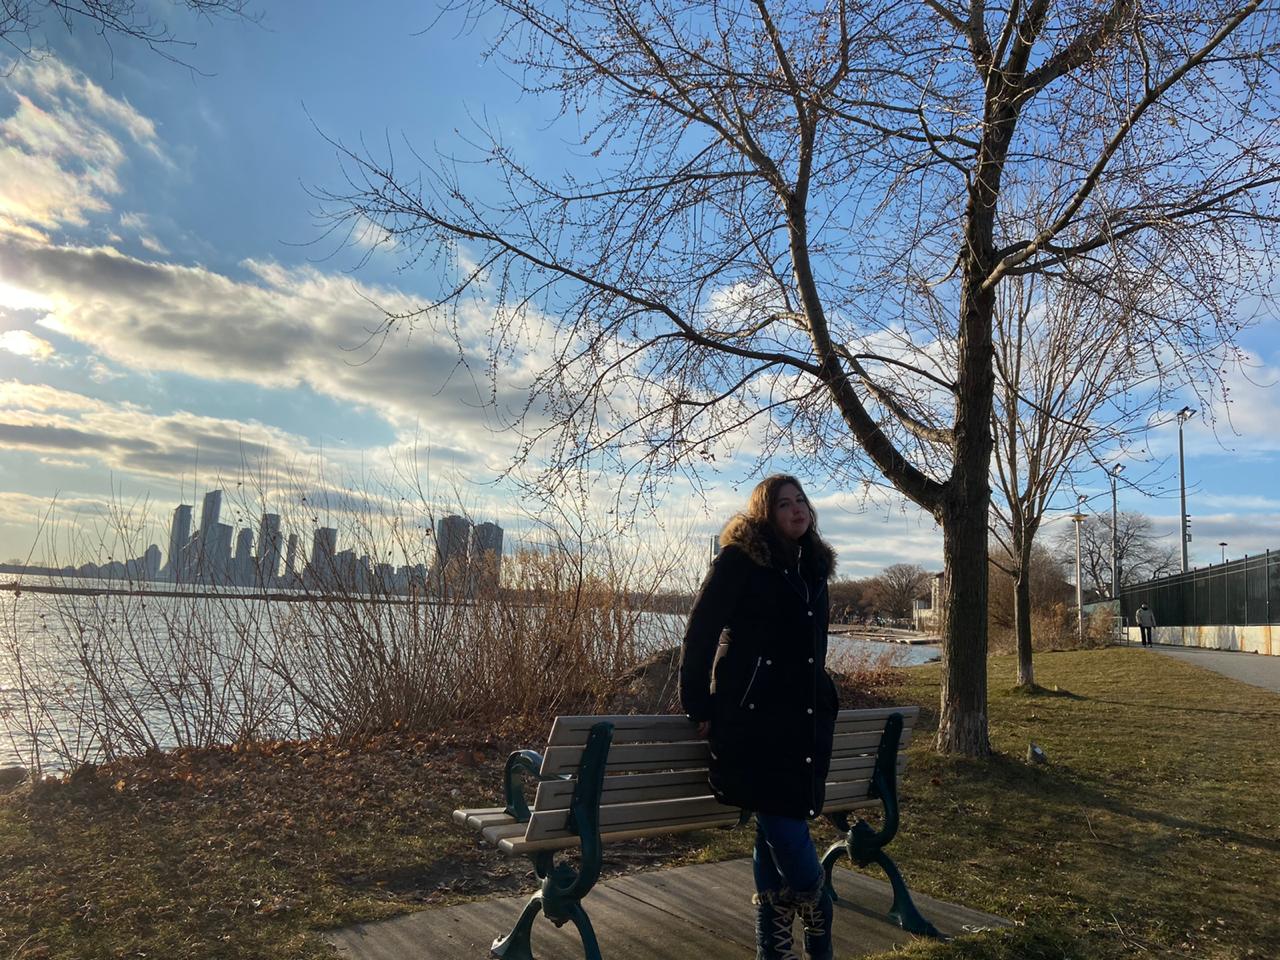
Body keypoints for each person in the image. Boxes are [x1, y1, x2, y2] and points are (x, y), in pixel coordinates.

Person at [679, 474, 839, 960]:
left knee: (775, 825)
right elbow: (701, 632)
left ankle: (773, 952)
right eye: (783, 504)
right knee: (782, 825)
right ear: (764, 515)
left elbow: (815, 650)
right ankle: (817, 908)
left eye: (801, 502)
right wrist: (697, 704)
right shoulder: (740, 561)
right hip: (751, 723)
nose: (797, 510)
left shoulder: (812, 568)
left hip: (802, 723)